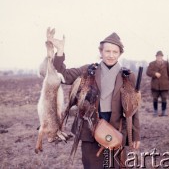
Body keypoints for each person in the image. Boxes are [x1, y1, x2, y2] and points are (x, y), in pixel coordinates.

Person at [46, 29, 140, 169]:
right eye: (107, 51)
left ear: (120, 53)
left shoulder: (128, 76)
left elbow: (133, 110)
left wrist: (135, 136)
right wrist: (60, 51)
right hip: (90, 131)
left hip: (116, 131)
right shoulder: (88, 71)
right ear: (101, 52)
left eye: (115, 52)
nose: (111, 55)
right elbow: (63, 75)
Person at [146, 51, 169, 117]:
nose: (159, 57)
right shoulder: (152, 64)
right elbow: (148, 72)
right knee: (155, 98)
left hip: (165, 85)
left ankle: (164, 111)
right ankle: (155, 111)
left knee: (164, 98)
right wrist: (154, 73)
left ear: (162, 57)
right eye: (158, 56)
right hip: (155, 85)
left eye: (160, 56)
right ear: (156, 57)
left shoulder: (167, 63)